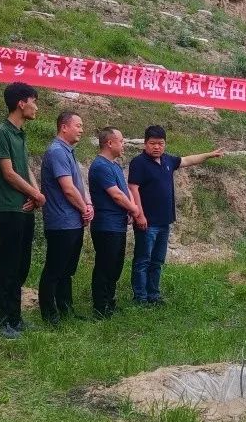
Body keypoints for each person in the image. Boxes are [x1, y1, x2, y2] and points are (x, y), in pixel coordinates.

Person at [128, 126, 223, 305]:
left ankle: (153, 295)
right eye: (153, 143)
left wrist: (209, 155)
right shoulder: (138, 163)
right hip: (147, 222)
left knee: (157, 261)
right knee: (143, 261)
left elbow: (188, 160)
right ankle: (140, 298)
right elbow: (133, 188)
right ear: (145, 143)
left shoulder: (167, 160)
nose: (157, 147)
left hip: (164, 221)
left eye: (160, 143)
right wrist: (139, 214)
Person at [0, 82, 45, 338]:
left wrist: (35, 194)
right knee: (7, 264)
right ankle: (0, 320)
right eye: (33, 101)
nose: (36, 107)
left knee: (21, 264)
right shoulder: (0, 133)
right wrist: (35, 194)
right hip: (9, 207)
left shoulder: (20, 134)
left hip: (25, 207)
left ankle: (14, 317)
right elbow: (8, 173)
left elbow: (25, 169)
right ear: (21, 103)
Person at [39, 111, 93, 324]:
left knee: (67, 270)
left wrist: (87, 205)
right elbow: (68, 189)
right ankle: (49, 314)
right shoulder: (57, 151)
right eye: (78, 125)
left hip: (72, 221)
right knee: (54, 269)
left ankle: (66, 309)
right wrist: (84, 208)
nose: (81, 130)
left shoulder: (68, 151)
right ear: (64, 127)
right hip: (61, 222)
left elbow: (78, 185)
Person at [88, 127, 147, 318]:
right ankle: (100, 307)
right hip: (106, 225)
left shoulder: (114, 165)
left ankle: (109, 302)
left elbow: (124, 190)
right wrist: (134, 209)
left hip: (117, 225)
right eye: (121, 141)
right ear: (110, 143)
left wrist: (130, 208)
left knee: (115, 266)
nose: (123, 145)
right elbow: (116, 195)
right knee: (105, 266)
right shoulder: (100, 166)